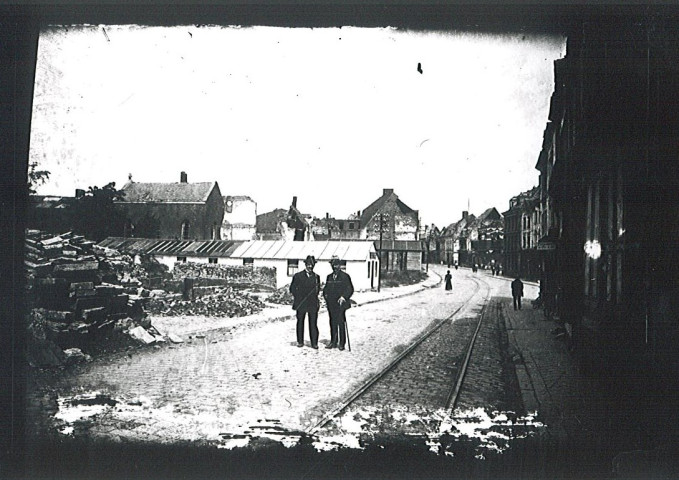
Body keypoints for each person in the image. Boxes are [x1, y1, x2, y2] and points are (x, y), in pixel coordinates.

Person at [323, 256, 354, 351]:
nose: (335, 267)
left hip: (341, 304)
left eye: (337, 265)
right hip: (331, 304)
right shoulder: (329, 277)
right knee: (332, 322)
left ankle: (342, 343)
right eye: (333, 265)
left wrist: (343, 297)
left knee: (341, 322)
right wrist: (326, 296)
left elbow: (350, 289)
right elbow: (326, 289)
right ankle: (333, 341)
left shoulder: (345, 276)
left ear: (339, 266)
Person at [290, 255, 321, 349]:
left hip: (312, 303)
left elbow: (317, 289)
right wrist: (299, 297)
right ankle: (300, 341)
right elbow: (292, 288)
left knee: (313, 323)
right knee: (300, 322)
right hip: (301, 302)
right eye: (308, 264)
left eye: (312, 265)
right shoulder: (298, 276)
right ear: (305, 265)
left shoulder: (316, 277)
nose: (310, 267)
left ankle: (314, 343)